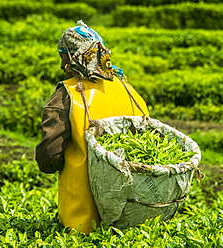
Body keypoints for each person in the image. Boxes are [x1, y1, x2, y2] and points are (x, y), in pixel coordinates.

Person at [35, 20, 149, 234]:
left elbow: (49, 157)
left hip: (82, 219)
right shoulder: (128, 89)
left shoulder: (67, 94)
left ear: (74, 56)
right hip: (132, 216)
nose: (62, 65)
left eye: (63, 56)